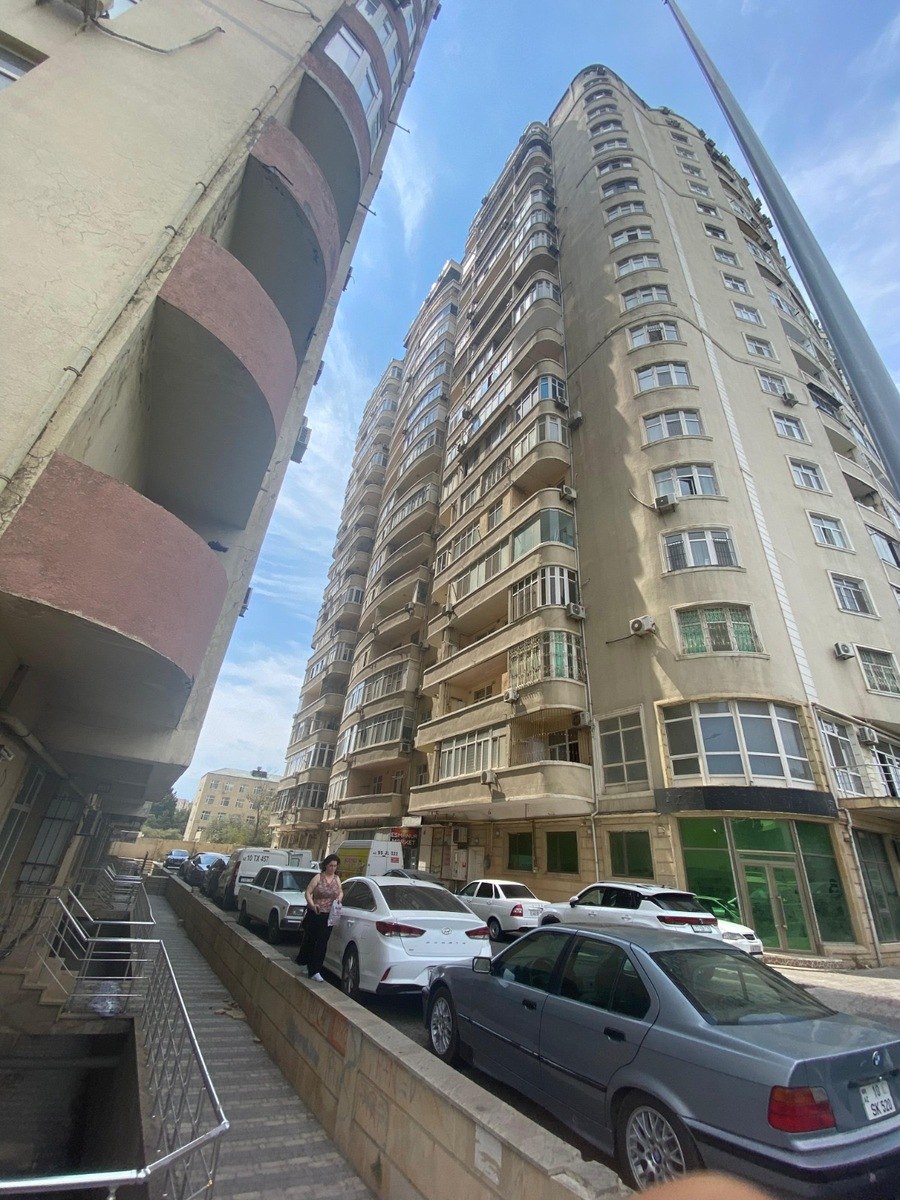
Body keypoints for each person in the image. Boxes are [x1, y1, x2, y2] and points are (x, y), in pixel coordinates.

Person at [302, 854, 342, 982]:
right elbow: (308, 892)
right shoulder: (318, 877)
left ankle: (316, 970)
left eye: (335, 866)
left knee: (322, 942)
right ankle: (309, 965)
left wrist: (339, 898)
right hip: (316, 913)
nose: (333, 868)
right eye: (330, 865)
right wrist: (312, 905)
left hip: (329, 915)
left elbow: (340, 891)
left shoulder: (337, 879)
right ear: (326, 865)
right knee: (312, 940)